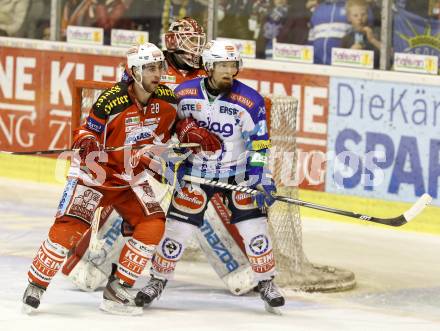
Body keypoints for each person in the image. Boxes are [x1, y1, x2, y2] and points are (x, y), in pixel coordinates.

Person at [22, 42, 182, 315]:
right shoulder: (112, 100)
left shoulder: (167, 102)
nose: (158, 73)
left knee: (153, 223)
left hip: (132, 178)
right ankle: (36, 285)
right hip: (95, 176)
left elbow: (174, 133)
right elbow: (85, 132)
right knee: (69, 228)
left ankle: (118, 287)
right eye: (150, 68)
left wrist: (184, 138)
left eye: (160, 67)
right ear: (134, 71)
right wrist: (87, 144)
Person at [135, 39, 285, 311]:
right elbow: (169, 131)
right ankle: (157, 280)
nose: (229, 71)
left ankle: (266, 281)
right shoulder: (184, 93)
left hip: (238, 175)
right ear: (209, 66)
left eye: (233, 65)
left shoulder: (250, 100)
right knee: (176, 230)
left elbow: (260, 143)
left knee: (255, 229)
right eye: (222, 65)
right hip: (196, 174)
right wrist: (173, 161)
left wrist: (260, 176)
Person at [341, 0, 380, 67]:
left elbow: (389, 55)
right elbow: (339, 62)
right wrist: (350, 53)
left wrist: (373, 40)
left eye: (363, 14)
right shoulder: (346, 38)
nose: (360, 18)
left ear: (368, 14)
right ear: (349, 18)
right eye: (355, 15)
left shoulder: (377, 32)